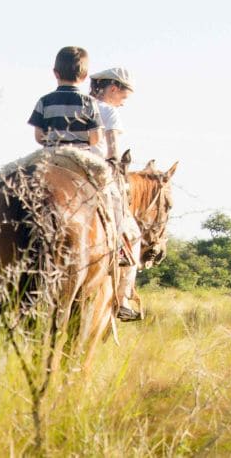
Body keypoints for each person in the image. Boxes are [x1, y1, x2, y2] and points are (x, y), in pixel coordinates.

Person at [90, 67, 142, 321]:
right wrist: (116, 165)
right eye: (123, 98)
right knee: (132, 233)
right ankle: (122, 299)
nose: (122, 104)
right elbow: (113, 151)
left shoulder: (77, 103)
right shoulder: (108, 112)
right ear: (113, 89)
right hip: (95, 173)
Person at [28, 46, 103, 149]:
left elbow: (39, 137)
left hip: (52, 156)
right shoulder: (89, 102)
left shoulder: (44, 101)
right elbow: (96, 137)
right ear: (85, 76)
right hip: (79, 157)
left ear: (56, 73)